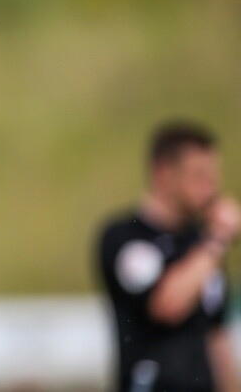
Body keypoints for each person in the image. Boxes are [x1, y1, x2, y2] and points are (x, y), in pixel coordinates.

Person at [97, 121, 239, 391]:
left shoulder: (201, 244)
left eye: (213, 176)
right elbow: (167, 305)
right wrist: (218, 238)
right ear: (163, 173)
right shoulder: (126, 238)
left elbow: (217, 336)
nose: (210, 187)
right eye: (198, 176)